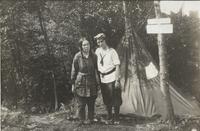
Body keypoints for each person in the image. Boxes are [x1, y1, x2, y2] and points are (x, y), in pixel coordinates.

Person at [71, 38, 100, 124]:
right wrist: (73, 84)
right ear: (81, 46)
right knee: (81, 103)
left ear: (90, 45)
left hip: (91, 81)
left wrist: (98, 82)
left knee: (91, 101)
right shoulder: (77, 56)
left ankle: (90, 119)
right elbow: (73, 70)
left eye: (87, 44)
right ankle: (81, 120)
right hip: (81, 82)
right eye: (84, 45)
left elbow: (97, 69)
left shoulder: (94, 56)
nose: (86, 46)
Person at [94, 33, 122, 125]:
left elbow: (117, 66)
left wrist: (117, 80)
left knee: (116, 99)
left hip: (112, 77)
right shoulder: (97, 51)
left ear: (105, 40)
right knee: (107, 99)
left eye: (101, 41)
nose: (100, 43)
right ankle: (110, 117)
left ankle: (117, 118)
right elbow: (96, 65)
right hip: (103, 79)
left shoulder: (112, 51)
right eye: (98, 41)